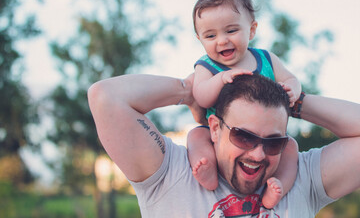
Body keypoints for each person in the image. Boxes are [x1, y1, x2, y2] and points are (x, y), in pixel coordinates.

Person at [88, 73, 360, 217]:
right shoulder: (172, 173)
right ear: (215, 128)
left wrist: (294, 101)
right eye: (244, 136)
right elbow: (106, 97)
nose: (258, 153)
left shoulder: (300, 177)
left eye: (274, 142)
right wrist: (188, 91)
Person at [187, 0, 301, 208]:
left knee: (291, 148)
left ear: (251, 30)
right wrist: (220, 79)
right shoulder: (207, 66)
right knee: (195, 136)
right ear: (199, 39)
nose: (222, 41)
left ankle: (278, 186)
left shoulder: (265, 58)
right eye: (210, 36)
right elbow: (200, 97)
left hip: (269, 139)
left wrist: (292, 89)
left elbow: (291, 78)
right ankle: (208, 169)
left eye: (231, 30)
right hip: (221, 138)